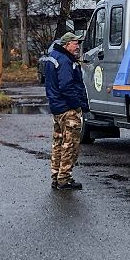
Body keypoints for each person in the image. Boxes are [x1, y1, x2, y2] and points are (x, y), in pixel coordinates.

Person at [40, 31, 88, 191]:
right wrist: (77, 104)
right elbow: (66, 86)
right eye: (75, 43)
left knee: (58, 143)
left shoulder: (52, 57)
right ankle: (64, 179)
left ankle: (56, 177)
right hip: (68, 109)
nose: (78, 46)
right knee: (70, 145)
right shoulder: (65, 61)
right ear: (67, 44)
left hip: (57, 107)